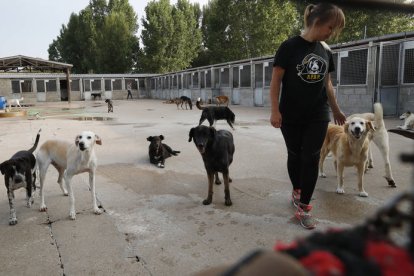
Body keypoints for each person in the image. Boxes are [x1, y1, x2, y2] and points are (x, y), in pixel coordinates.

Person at [270, 3, 347, 230]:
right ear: (317, 21)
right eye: (331, 27)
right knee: (295, 156)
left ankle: (303, 207)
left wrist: (335, 108)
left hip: (318, 113)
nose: (331, 33)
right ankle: (297, 190)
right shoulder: (289, 47)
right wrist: (275, 110)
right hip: (290, 113)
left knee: (311, 157)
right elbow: (275, 82)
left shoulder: (326, 50)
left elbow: (328, 83)